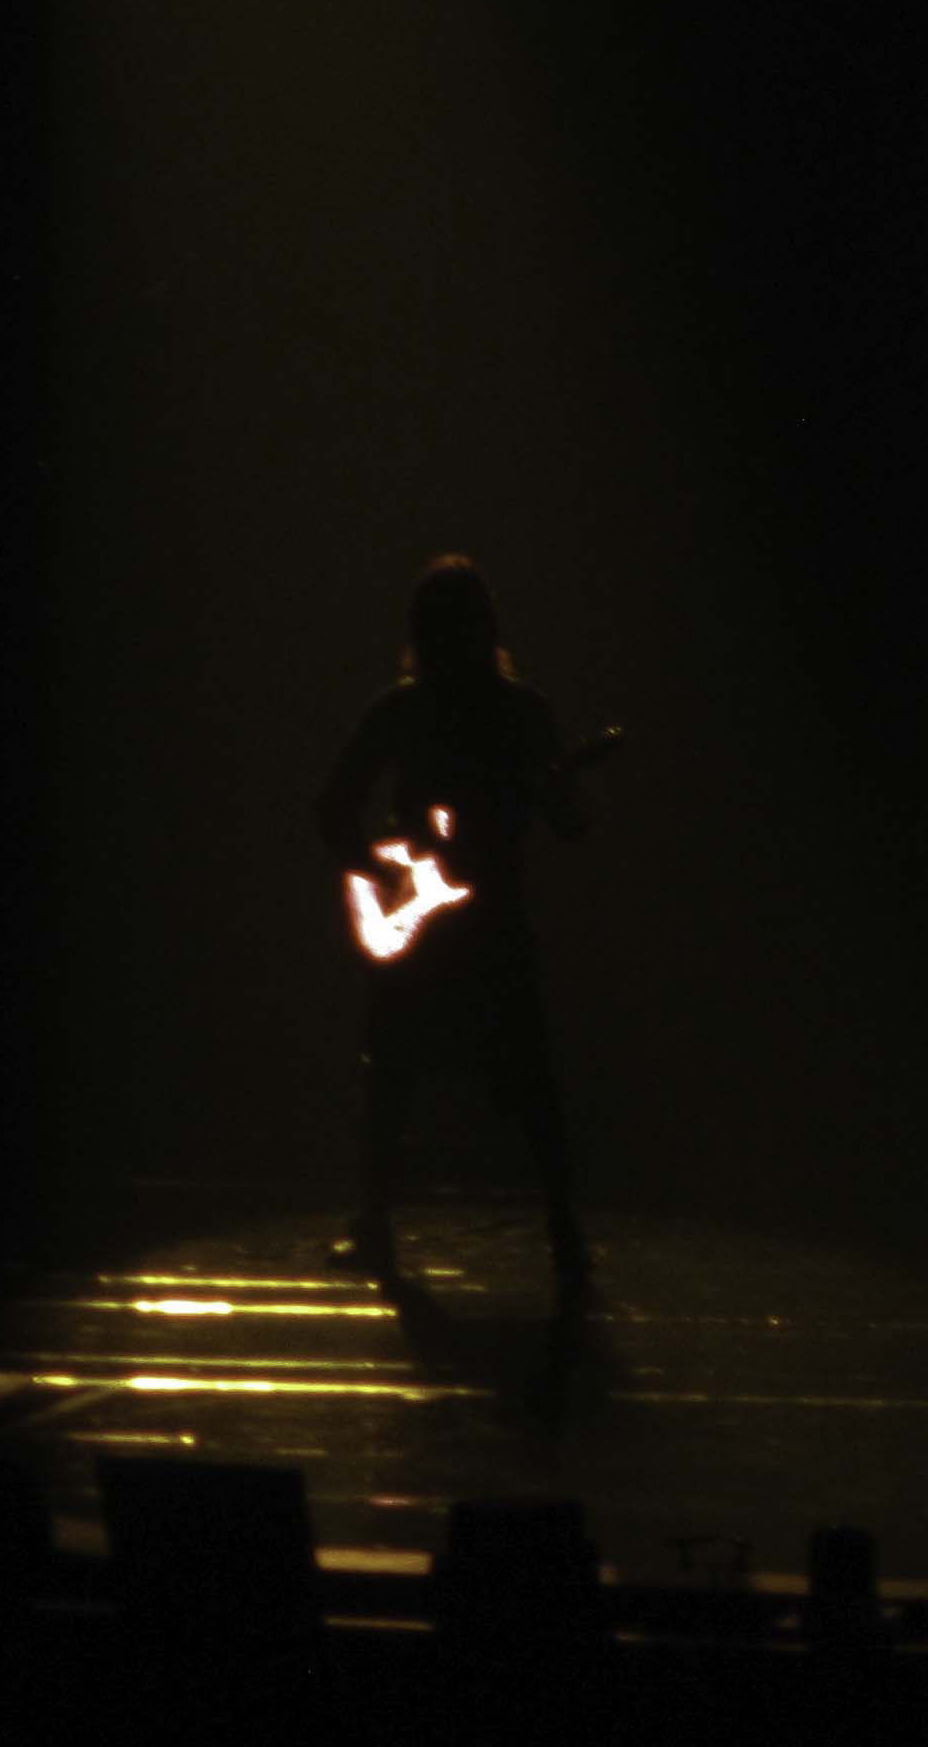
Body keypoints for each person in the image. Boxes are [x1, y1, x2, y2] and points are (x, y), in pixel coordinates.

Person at [312, 555, 608, 1301]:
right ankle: (566, 1240)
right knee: (529, 1085)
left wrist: (375, 872)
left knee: (393, 1074)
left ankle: (377, 1227)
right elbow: (570, 829)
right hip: (494, 927)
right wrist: (561, 796)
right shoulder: (523, 711)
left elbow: (331, 808)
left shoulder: (402, 709)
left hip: (432, 937)